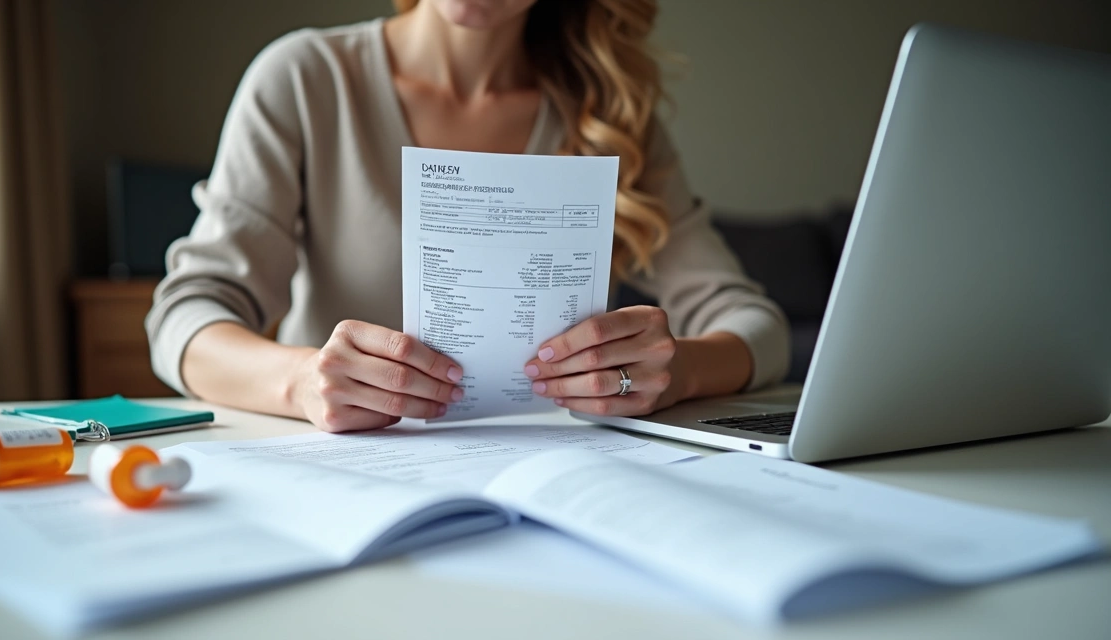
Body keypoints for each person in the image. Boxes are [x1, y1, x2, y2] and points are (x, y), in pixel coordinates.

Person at [146, 0, 790, 433]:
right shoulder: (306, 79)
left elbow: (756, 326)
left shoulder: (610, 118)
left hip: (560, 482)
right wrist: (300, 382)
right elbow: (186, 316)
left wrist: (678, 371)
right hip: (350, 479)